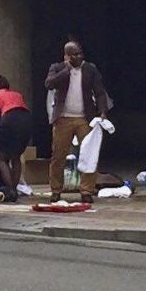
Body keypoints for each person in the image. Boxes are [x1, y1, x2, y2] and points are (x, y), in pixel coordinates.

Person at [45, 41, 109, 203]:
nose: (79, 57)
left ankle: (87, 190)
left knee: (89, 154)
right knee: (58, 155)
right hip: (63, 118)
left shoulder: (90, 69)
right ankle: (56, 190)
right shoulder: (57, 68)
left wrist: (102, 112)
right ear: (66, 56)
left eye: (80, 53)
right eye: (74, 54)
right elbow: (49, 84)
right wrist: (66, 69)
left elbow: (100, 92)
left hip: (84, 118)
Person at [0, 76, 32, 202]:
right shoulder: (17, 94)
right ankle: (15, 188)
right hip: (26, 119)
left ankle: (10, 190)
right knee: (16, 156)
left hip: (9, 119)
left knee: (2, 157)